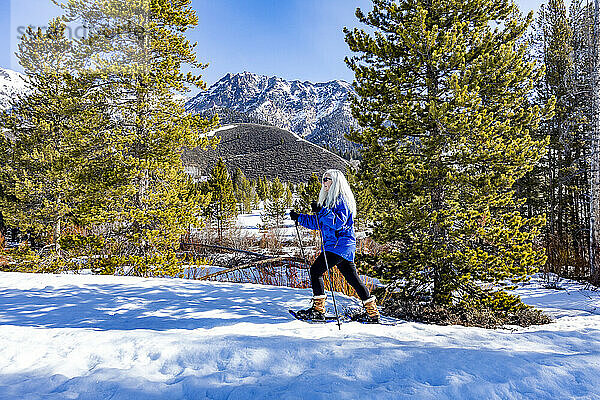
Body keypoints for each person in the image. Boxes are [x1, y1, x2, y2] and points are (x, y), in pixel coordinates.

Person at [289, 169, 380, 323]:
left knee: (316, 270)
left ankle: (318, 311)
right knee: (353, 279)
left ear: (336, 182)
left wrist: (322, 211)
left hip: (339, 245)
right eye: (323, 179)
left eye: (327, 179)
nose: (324, 182)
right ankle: (373, 314)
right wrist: (300, 218)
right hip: (341, 247)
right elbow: (318, 223)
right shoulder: (329, 202)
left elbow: (338, 223)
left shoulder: (341, 201)